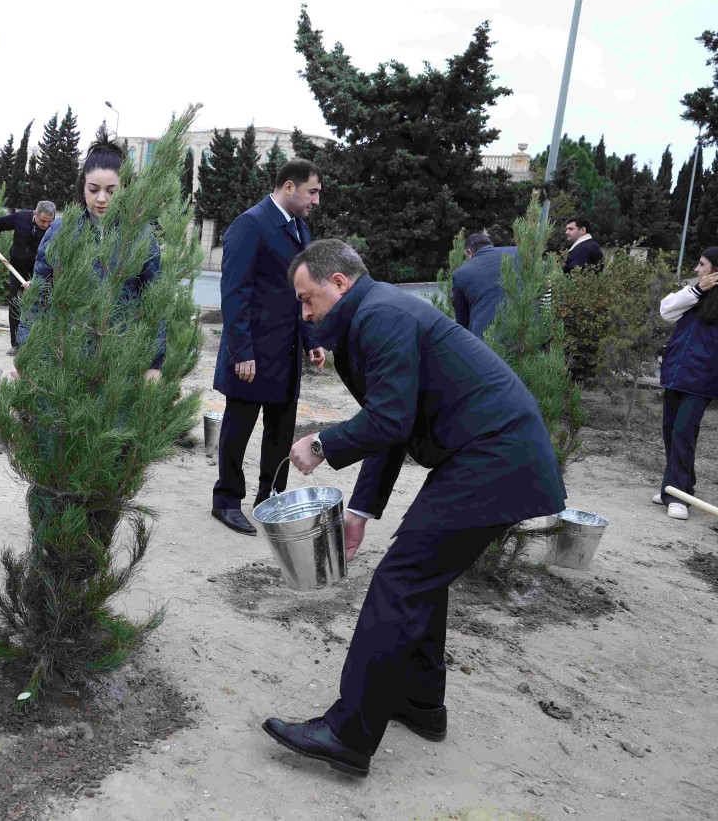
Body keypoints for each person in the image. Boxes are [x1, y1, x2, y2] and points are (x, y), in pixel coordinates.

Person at [261, 239, 566, 778]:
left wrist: (323, 443)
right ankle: (421, 701)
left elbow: (389, 422)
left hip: (496, 455)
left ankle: (347, 733)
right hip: (488, 453)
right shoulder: (376, 314)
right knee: (419, 574)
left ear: (339, 284)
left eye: (308, 300)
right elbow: (390, 423)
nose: (305, 313)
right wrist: (361, 511)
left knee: (400, 580)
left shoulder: (379, 316)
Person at [211, 159, 326, 535]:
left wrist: (311, 340)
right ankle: (226, 500)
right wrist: (241, 351)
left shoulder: (300, 229)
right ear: (289, 187)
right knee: (238, 428)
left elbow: (302, 293)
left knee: (280, 430)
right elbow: (234, 293)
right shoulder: (251, 224)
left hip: (287, 352)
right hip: (252, 354)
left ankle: (271, 499)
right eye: (312, 192)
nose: (316, 201)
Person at [18, 135, 164, 378]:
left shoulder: (141, 236)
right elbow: (38, 296)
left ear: (125, 188)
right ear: (82, 187)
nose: (102, 198)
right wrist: (25, 352)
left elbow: (154, 301)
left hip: (121, 360)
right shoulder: (61, 232)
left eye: (112, 190)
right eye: (93, 189)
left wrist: (154, 363)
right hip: (64, 357)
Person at [652, 247, 718, 521]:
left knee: (683, 433)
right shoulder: (692, 294)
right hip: (676, 374)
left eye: (701, 264)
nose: (696, 269)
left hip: (702, 379)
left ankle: (677, 494)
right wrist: (697, 290)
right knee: (670, 430)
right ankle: (680, 485)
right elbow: (666, 311)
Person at [0, 200, 57, 349]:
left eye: (50, 221)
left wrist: (37, 280)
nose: (46, 225)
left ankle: (38, 346)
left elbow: (54, 257)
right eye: (43, 221)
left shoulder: (54, 230)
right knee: (16, 304)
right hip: (17, 269)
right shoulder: (21, 218)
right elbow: (1, 223)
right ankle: (16, 345)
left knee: (41, 305)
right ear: (35, 214)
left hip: (40, 271)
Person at [450, 232, 519, 338]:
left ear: (469, 252)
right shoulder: (518, 252)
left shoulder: (460, 274)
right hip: (527, 336)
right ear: (490, 245)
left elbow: (462, 321)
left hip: (486, 342)